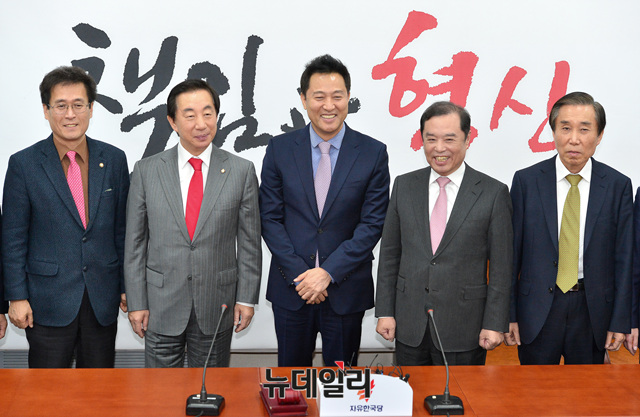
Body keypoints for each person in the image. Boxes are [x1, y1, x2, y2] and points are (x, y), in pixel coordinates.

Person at [260, 54, 390, 367]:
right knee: (292, 382)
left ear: (349, 97)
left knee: (342, 384)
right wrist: (303, 277)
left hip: (345, 290)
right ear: (304, 99)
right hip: (292, 289)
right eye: (319, 97)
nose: (328, 106)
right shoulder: (279, 149)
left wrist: (328, 273)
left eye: (337, 96)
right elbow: (270, 218)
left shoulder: (373, 153)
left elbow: (372, 224)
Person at [125, 79, 261, 368]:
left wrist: (246, 299)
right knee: (160, 390)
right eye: (190, 115)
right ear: (172, 122)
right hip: (160, 305)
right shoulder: (147, 171)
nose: (201, 124)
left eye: (208, 113)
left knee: (209, 388)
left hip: (217, 303)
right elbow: (134, 244)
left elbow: (250, 243)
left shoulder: (241, 171)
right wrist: (137, 302)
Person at [2, 66, 129, 367]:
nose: (70, 114)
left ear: (91, 109)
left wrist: (127, 287)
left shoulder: (113, 159)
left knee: (98, 390)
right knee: (47, 391)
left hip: (101, 300)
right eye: (61, 106)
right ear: (46, 110)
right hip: (46, 303)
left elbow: (123, 232)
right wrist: (16, 297)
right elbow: (13, 239)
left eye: (78, 105)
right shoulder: (24, 164)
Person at [375, 101, 512, 365]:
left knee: (461, 392)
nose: (439, 148)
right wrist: (385, 311)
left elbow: (501, 267)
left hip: (464, 327)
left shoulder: (493, 193)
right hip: (409, 324)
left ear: (467, 139)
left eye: (449, 139)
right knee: (410, 391)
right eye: (431, 139)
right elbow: (390, 255)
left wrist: (494, 323)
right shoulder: (404, 186)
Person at [506, 92, 632, 364]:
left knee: (587, 390)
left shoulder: (617, 186)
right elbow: (511, 256)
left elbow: (625, 260)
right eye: (565, 128)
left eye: (584, 129)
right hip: (537, 310)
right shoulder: (526, 182)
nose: (574, 139)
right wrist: (510, 315)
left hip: (593, 312)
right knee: (534, 388)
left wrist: (620, 320)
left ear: (599, 136)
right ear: (553, 132)